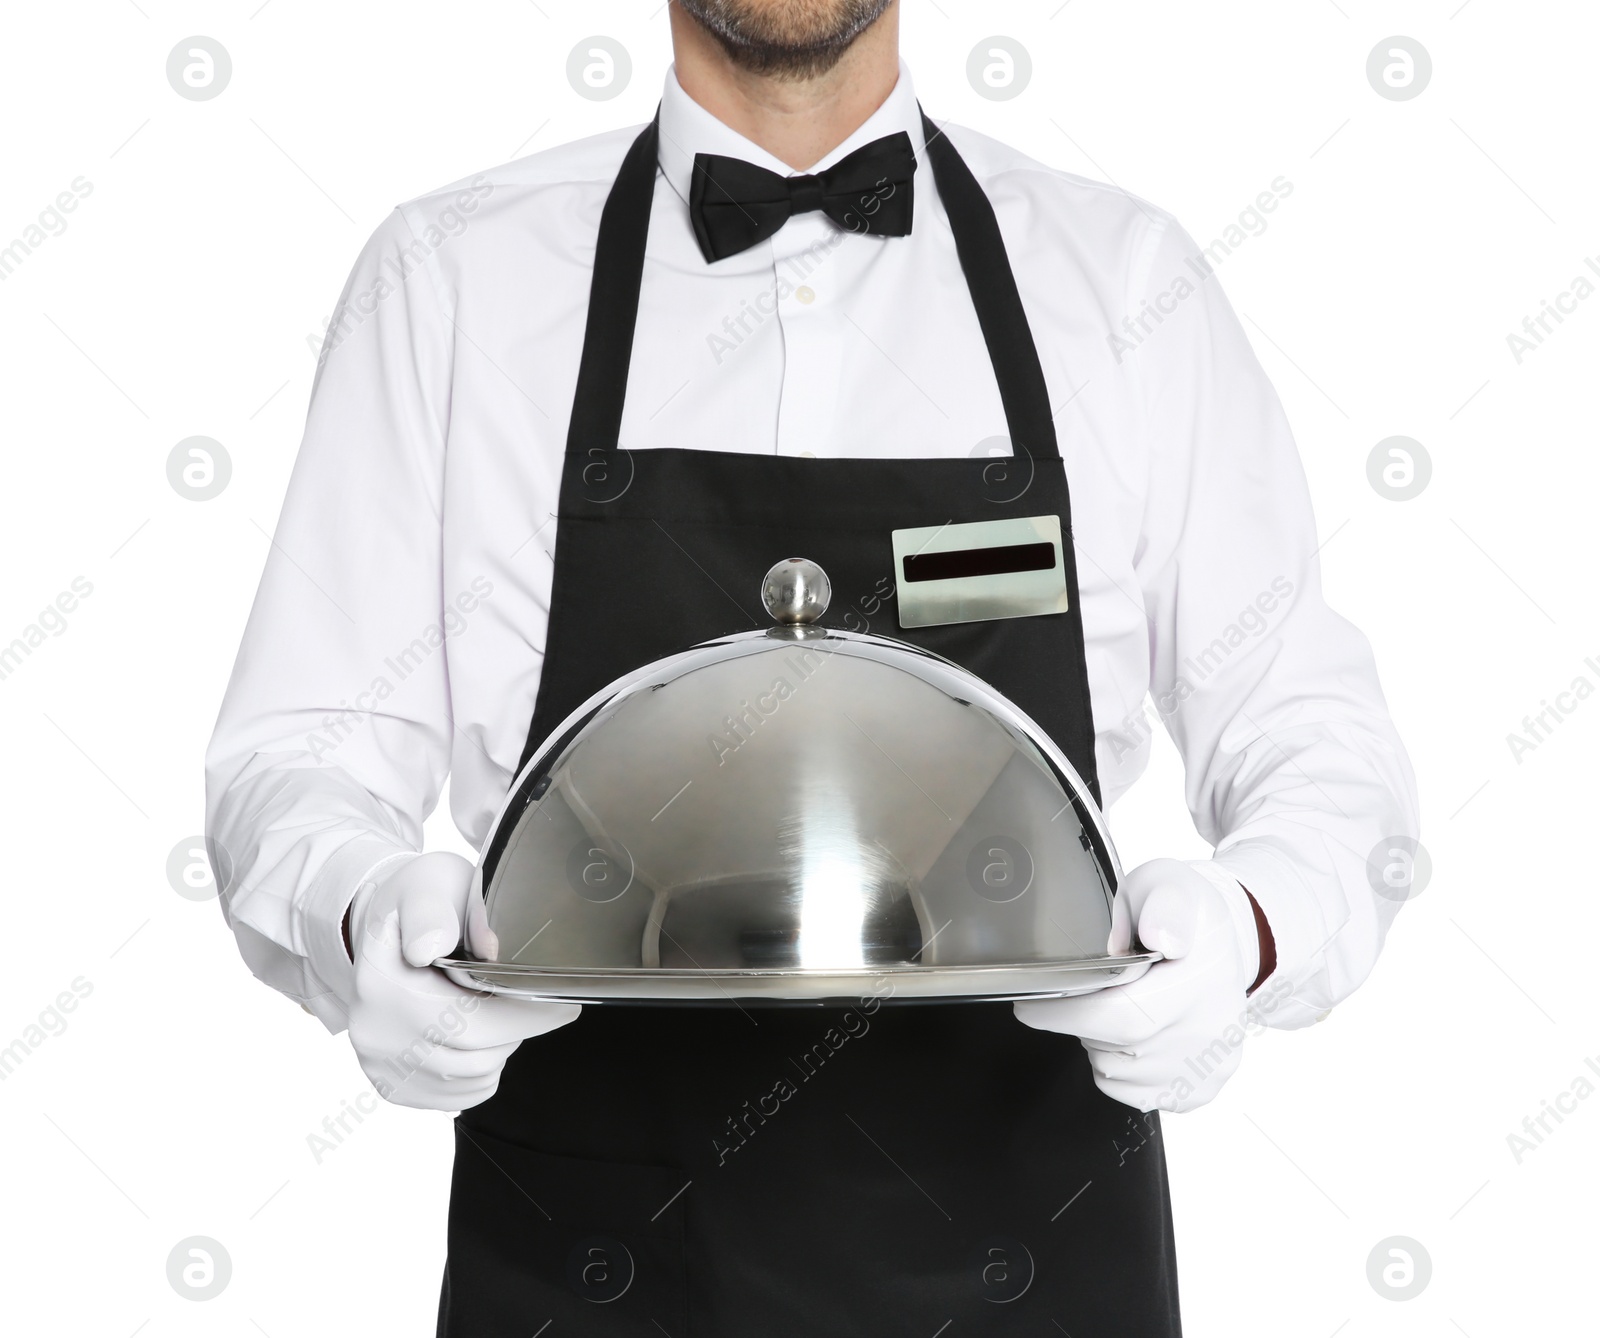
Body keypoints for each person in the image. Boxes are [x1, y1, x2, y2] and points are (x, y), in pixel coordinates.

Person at [205, 1, 1419, 1332]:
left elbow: (1318, 736)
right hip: (596, 1255)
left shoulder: (1125, 283)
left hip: (1036, 1261)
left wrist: (1246, 931)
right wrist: (360, 910)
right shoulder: (447, 278)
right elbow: (300, 750)